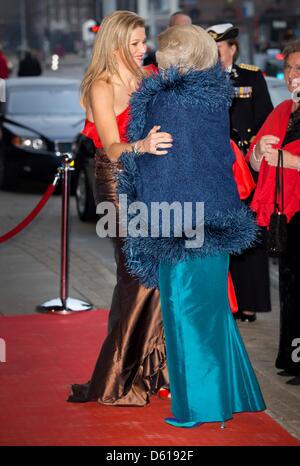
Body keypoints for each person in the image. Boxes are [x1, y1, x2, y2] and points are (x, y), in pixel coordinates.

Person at [118, 25, 266, 427]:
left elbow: (157, 168)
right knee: (212, 311)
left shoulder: (165, 102)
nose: (155, 55)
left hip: (177, 221)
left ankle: (199, 408)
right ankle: (236, 393)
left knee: (184, 316)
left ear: (174, 59)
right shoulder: (213, 98)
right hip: (214, 214)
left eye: (163, 50)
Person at [67, 10, 172, 406]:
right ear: (114, 46)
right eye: (134, 43)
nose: (143, 49)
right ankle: (117, 381)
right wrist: (143, 146)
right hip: (116, 182)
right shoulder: (101, 84)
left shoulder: (147, 78)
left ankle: (148, 369)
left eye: (143, 41)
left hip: (150, 180)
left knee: (150, 279)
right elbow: (111, 147)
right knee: (139, 276)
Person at [207, 23, 274, 322]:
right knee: (218, 235)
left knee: (249, 236)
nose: (215, 55)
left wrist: (255, 155)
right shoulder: (202, 79)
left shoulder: (251, 77)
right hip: (215, 168)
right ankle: (223, 301)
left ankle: (249, 303)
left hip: (246, 168)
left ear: (232, 49)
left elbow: (265, 122)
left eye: (219, 49)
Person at [247, 39, 300, 386]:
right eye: (291, 67)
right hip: (288, 215)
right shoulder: (283, 110)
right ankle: (293, 357)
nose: (294, 75)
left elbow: (288, 160)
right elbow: (253, 161)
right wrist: (259, 151)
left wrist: (289, 160)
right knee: (292, 288)